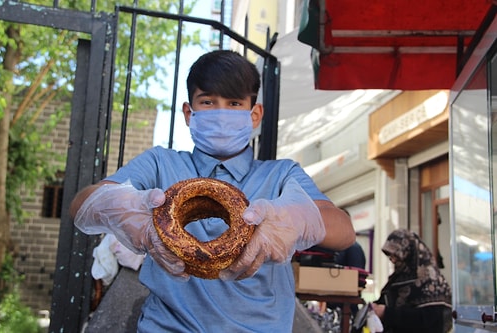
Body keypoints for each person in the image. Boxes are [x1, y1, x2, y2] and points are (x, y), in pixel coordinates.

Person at [69, 50, 356, 332]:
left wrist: (293, 220)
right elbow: (82, 204)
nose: (221, 113)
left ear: (255, 115)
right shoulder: (160, 164)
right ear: (188, 113)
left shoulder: (281, 175)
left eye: (233, 103)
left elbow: (343, 231)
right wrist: (129, 211)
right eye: (208, 101)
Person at [371, 229, 452, 333]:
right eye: (390, 256)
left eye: (396, 255)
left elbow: (429, 321)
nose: (393, 260)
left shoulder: (431, 282)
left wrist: (387, 313)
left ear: (409, 253)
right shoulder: (395, 280)